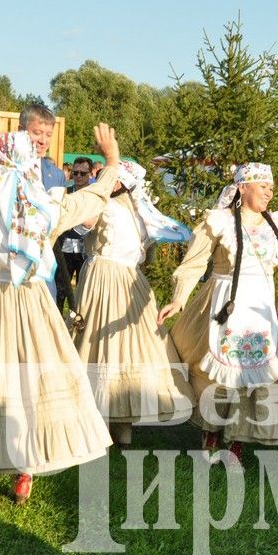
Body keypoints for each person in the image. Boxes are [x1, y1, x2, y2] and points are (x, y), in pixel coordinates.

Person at [0, 124, 118, 506]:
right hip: (11, 298)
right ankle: (9, 470)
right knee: (19, 380)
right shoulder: (38, 208)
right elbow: (95, 196)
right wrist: (111, 160)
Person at [157, 163, 278, 464]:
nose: (269, 191)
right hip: (226, 304)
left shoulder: (276, 225)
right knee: (219, 372)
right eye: (263, 185)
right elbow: (195, 262)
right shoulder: (219, 221)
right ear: (243, 187)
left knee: (252, 377)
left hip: (259, 311)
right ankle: (211, 432)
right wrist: (179, 299)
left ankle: (236, 438)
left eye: (271, 186)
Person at [73, 159, 194, 446]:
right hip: (129, 279)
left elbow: (85, 223)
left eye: (107, 176)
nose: (101, 179)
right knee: (126, 347)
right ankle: (121, 423)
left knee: (101, 345)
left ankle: (108, 418)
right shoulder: (141, 211)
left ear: (120, 182)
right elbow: (147, 254)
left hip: (105, 277)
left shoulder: (106, 205)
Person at [54, 156, 93, 312]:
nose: (78, 176)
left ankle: (79, 322)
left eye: (82, 173)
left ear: (90, 174)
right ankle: (57, 322)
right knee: (60, 289)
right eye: (75, 173)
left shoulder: (93, 195)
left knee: (83, 290)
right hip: (64, 246)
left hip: (85, 249)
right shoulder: (65, 192)